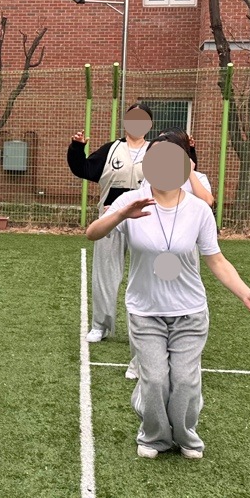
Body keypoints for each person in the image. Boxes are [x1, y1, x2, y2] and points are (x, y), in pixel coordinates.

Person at [86, 132, 250, 460]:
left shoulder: (198, 210)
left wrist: (246, 294)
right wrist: (120, 214)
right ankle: (154, 436)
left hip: (189, 311)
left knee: (186, 382)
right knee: (155, 380)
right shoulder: (130, 201)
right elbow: (93, 233)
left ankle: (186, 435)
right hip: (145, 311)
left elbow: (216, 260)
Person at [68, 105, 152, 351]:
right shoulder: (111, 149)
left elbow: (180, 172)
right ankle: (100, 325)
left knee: (147, 274)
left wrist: (190, 150)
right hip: (111, 218)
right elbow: (83, 169)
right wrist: (76, 149)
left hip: (146, 219)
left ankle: (147, 325)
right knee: (105, 273)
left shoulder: (156, 150)